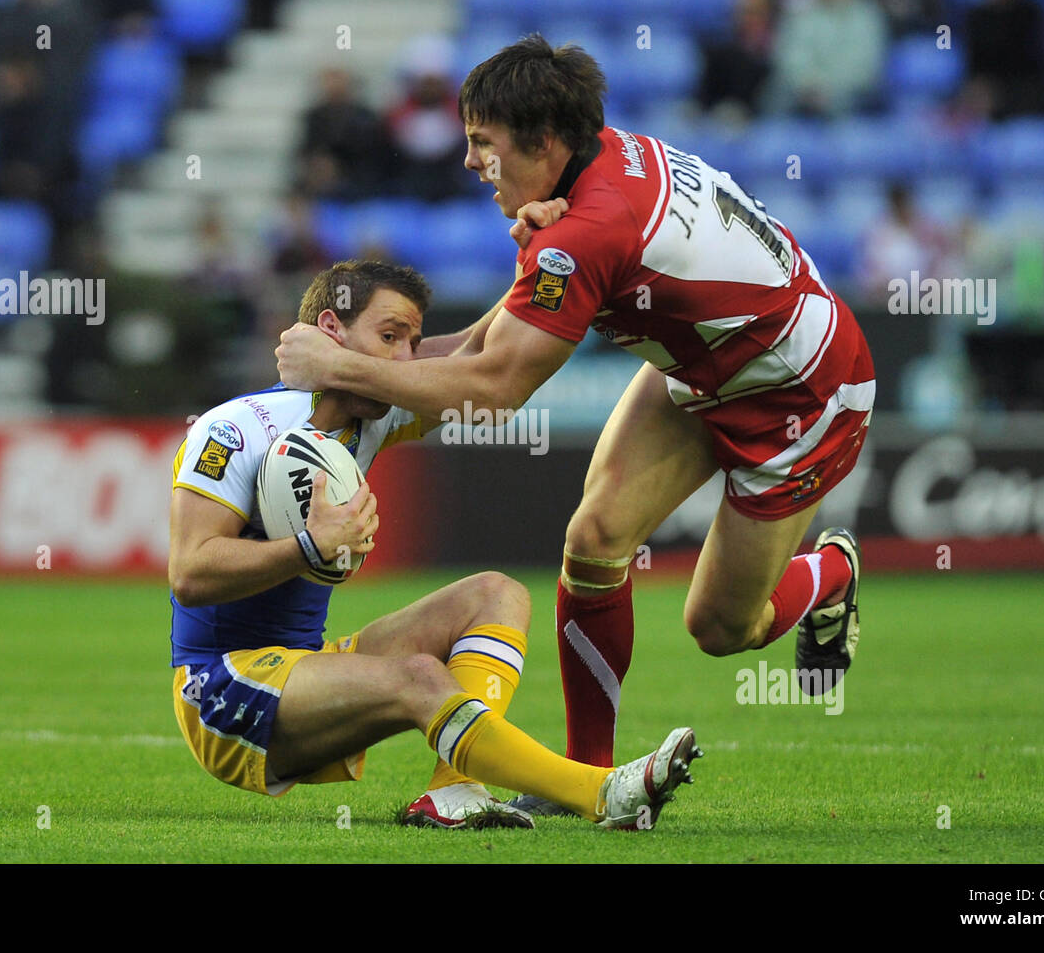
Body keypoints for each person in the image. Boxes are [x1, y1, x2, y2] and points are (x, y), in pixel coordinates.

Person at [274, 35, 875, 815]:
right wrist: (360, 370)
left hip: (803, 394)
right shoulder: (591, 175)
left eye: (482, 144)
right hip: (705, 365)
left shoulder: (586, 228)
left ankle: (831, 573)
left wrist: (344, 370)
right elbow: (491, 344)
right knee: (593, 542)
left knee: (723, 628)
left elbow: (491, 394)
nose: (469, 163)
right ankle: (594, 778)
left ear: (545, 142)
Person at [169, 259, 700, 829]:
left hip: (307, 666)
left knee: (497, 594)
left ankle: (454, 792)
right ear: (331, 331)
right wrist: (308, 546)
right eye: (390, 336)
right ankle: (601, 793)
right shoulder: (232, 431)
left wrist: (550, 263)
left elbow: (478, 352)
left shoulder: (373, 414)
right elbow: (191, 575)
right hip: (222, 688)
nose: (404, 360)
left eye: (413, 343)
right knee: (421, 676)